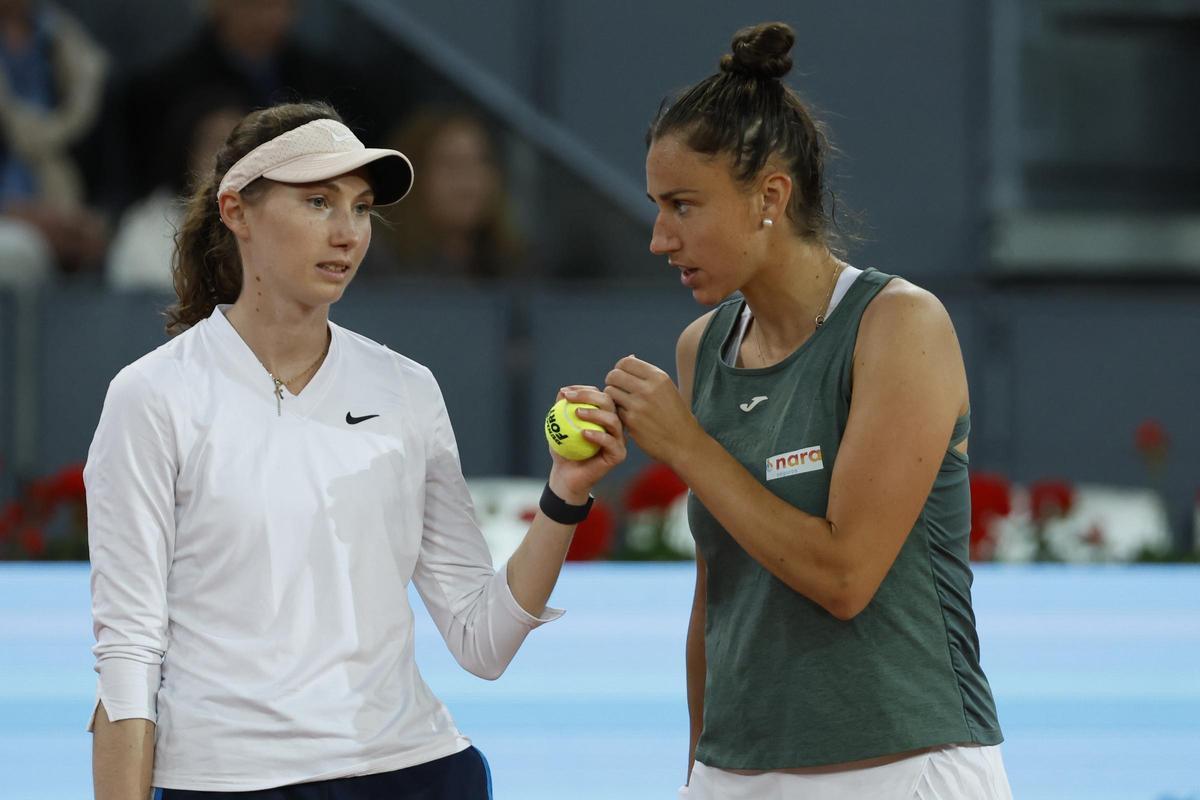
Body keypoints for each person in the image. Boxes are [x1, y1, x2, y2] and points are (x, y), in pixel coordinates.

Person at [86, 100, 625, 799]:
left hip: (417, 770)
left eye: (361, 208)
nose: (346, 234)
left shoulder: (408, 390)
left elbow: (481, 640)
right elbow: (128, 658)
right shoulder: (152, 396)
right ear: (235, 211)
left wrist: (565, 494)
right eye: (317, 202)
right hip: (227, 781)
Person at [604, 22, 1012, 800]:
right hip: (737, 772)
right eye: (658, 207)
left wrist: (687, 447)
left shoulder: (901, 325)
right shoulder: (702, 346)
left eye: (683, 206)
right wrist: (698, 770)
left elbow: (845, 574)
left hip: (904, 764)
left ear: (771, 197)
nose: (660, 238)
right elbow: (716, 595)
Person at [373, 107, 527, 281]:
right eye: (451, 162)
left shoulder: (515, 265)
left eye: (480, 161)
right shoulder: (379, 264)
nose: (467, 176)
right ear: (413, 175)